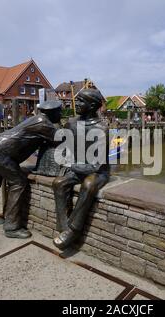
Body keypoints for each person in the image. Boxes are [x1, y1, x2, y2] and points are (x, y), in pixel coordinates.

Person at [0, 100, 62, 239]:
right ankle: (12, 227)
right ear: (52, 112)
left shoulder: (37, 119)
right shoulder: (43, 122)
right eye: (59, 111)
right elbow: (59, 139)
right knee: (18, 181)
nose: (61, 114)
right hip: (0, 152)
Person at [52, 88, 110, 250]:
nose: (76, 103)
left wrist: (71, 165)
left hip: (98, 172)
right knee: (59, 183)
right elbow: (67, 149)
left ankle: (73, 230)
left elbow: (96, 165)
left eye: (81, 101)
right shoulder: (71, 123)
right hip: (77, 167)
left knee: (89, 185)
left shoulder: (102, 128)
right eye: (77, 100)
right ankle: (63, 227)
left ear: (92, 106)